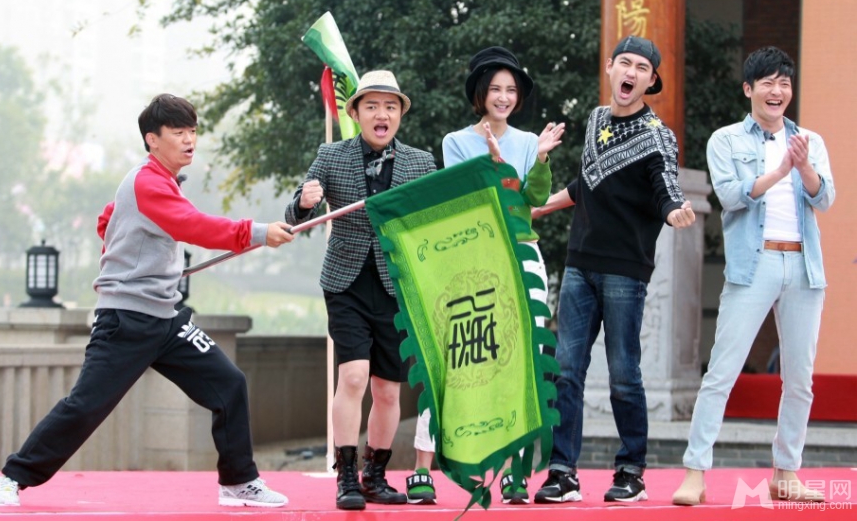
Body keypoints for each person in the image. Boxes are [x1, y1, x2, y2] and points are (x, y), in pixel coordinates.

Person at [0, 94, 294, 508]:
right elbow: (192, 225)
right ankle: (12, 476)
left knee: (229, 384)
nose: (189, 140)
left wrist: (137, 253)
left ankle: (239, 482)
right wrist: (257, 233)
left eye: (193, 131)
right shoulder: (147, 182)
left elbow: (107, 219)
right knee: (85, 407)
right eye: (178, 132)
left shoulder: (160, 183)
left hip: (166, 319)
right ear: (152, 139)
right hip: (126, 320)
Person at [531, 36, 696, 504]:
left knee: (624, 373)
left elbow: (665, 187)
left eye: (642, 67)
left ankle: (631, 472)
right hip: (579, 264)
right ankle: (562, 472)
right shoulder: (596, 121)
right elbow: (587, 182)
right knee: (566, 369)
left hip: (626, 269)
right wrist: (542, 207)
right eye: (625, 63)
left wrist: (675, 210)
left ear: (651, 80)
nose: (631, 72)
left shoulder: (658, 135)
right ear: (610, 68)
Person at [672, 46, 834, 506]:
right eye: (767, 82)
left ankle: (787, 473)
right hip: (753, 265)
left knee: (799, 379)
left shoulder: (810, 141)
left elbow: (825, 199)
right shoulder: (726, 140)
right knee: (721, 372)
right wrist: (780, 170)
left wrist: (804, 168)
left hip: (803, 266)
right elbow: (729, 195)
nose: (776, 91)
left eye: (784, 83)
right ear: (749, 89)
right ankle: (695, 473)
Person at [407, 46, 564, 506]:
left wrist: (541, 161)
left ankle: (516, 471)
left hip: (523, 256)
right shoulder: (456, 142)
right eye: (495, 88)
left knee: (523, 363)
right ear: (480, 93)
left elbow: (533, 200)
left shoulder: (529, 141)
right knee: (457, 359)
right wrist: (496, 169)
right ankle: (422, 469)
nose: (503, 97)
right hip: (473, 259)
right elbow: (469, 201)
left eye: (511, 90)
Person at [284, 70, 437, 511]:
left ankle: (374, 474)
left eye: (390, 106)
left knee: (388, 390)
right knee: (353, 377)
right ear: (356, 113)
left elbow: (434, 222)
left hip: (396, 286)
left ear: (400, 115)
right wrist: (304, 201)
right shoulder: (331, 156)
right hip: (345, 282)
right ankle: (346, 474)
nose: (381, 114)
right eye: (371, 106)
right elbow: (295, 215)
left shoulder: (421, 163)